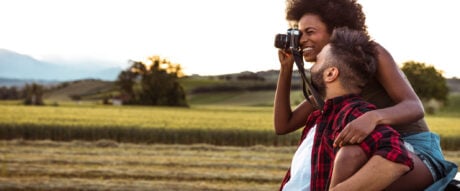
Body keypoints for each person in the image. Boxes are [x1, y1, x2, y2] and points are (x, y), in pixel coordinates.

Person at [273, 0, 458, 190]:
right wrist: (286, 68)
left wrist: (373, 118)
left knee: (350, 155)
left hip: (414, 149)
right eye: (299, 32)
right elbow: (283, 125)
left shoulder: (371, 53)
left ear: (336, 31)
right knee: (343, 157)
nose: (302, 39)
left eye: (310, 32)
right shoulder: (329, 78)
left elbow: (414, 107)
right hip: (367, 148)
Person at [280, 26, 414, 191]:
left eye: (319, 60)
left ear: (331, 73)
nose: (312, 66)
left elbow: (397, 156)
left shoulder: (354, 113)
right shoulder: (320, 116)